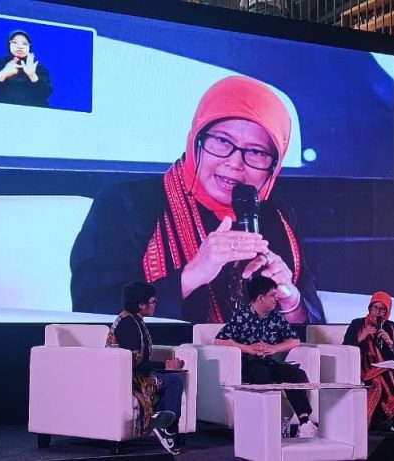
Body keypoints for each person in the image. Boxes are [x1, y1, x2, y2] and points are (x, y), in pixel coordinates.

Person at [71, 76, 325, 324]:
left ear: (274, 165)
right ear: (196, 141)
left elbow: (315, 325)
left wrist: (290, 301)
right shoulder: (125, 204)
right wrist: (190, 277)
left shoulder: (277, 216)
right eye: (223, 141)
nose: (235, 163)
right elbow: (93, 309)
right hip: (162, 352)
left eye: (257, 152)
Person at [214, 275, 318, 438]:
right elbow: (219, 340)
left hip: (269, 362)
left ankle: (304, 422)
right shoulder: (241, 317)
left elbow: (295, 340)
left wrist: (274, 348)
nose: (276, 299)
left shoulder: (276, 317)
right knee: (261, 373)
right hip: (247, 363)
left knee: (295, 373)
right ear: (261, 298)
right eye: (272, 295)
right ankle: (268, 421)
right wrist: (248, 348)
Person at [106, 281, 185, 454]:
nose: (155, 305)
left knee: (173, 377)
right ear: (141, 305)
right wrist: (165, 365)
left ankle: (164, 425)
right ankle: (167, 428)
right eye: (153, 301)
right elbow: (134, 363)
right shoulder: (128, 324)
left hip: (136, 373)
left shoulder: (134, 320)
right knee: (174, 380)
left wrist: (167, 366)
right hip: (129, 378)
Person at [342, 291, 394, 432]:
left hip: (387, 366)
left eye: (382, 309)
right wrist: (362, 336)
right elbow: (345, 348)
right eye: (375, 308)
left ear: (388, 311)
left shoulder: (391, 327)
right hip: (367, 367)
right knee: (388, 373)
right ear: (370, 308)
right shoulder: (357, 324)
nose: (378, 312)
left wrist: (390, 342)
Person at [0, 30, 52, 108]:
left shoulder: (38, 67)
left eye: (25, 43)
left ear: (29, 47)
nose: (20, 46)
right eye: (15, 42)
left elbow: (46, 92)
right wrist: (3, 73)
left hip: (32, 111)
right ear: (9, 44)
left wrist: (32, 75)